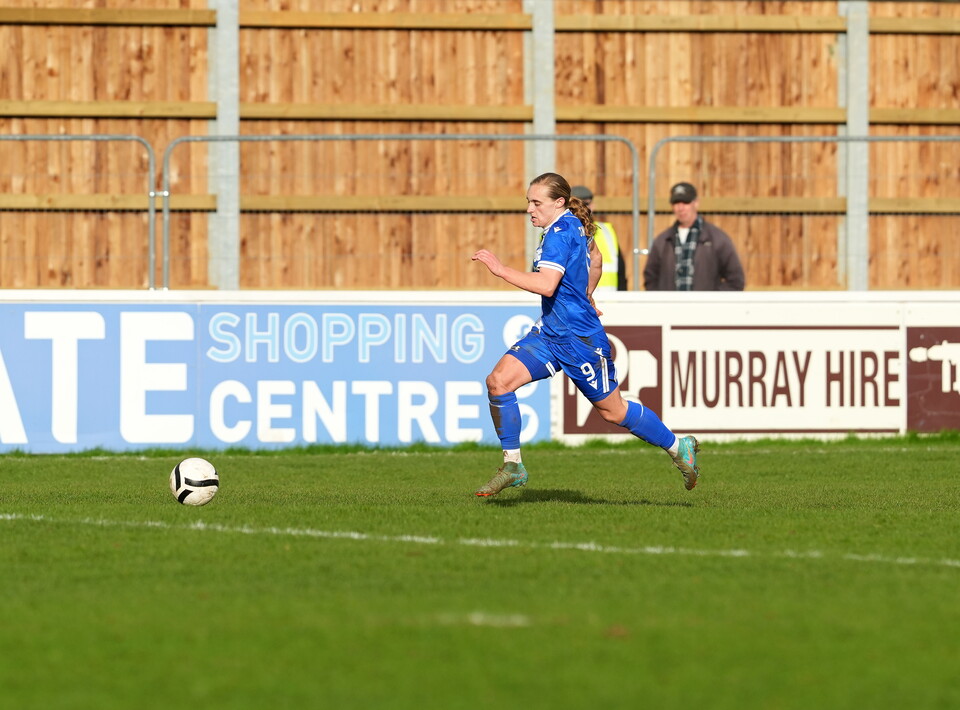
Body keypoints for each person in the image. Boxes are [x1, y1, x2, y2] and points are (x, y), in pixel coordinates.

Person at [471, 172, 700, 497]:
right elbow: (595, 258)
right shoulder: (570, 226)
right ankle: (513, 465)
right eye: (528, 202)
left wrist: (500, 269)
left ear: (558, 202)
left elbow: (546, 284)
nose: (529, 210)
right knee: (498, 382)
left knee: (613, 411)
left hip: (580, 340)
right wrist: (587, 294)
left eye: (536, 203)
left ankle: (679, 447)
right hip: (550, 333)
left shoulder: (559, 235)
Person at [644, 182, 745, 291]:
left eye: (685, 202)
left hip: (705, 307)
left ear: (696, 203)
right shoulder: (663, 241)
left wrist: (713, 302)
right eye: (676, 203)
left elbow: (736, 280)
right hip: (671, 307)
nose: (680, 208)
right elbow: (650, 278)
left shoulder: (717, 239)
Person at [571, 185, 627, 292]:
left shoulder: (607, 231)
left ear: (593, 205)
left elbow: (621, 273)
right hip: (573, 303)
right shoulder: (555, 233)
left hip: (608, 300)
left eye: (586, 204)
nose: (582, 209)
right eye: (576, 205)